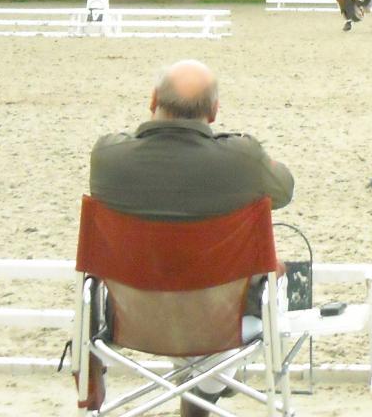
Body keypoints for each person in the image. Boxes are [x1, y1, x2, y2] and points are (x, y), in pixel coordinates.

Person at [89, 59, 294, 417]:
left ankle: (203, 386)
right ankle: (206, 388)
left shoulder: (108, 156)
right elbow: (284, 189)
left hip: (132, 317)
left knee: (179, 277)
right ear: (214, 112)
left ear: (153, 99)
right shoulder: (242, 159)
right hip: (221, 317)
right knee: (267, 280)